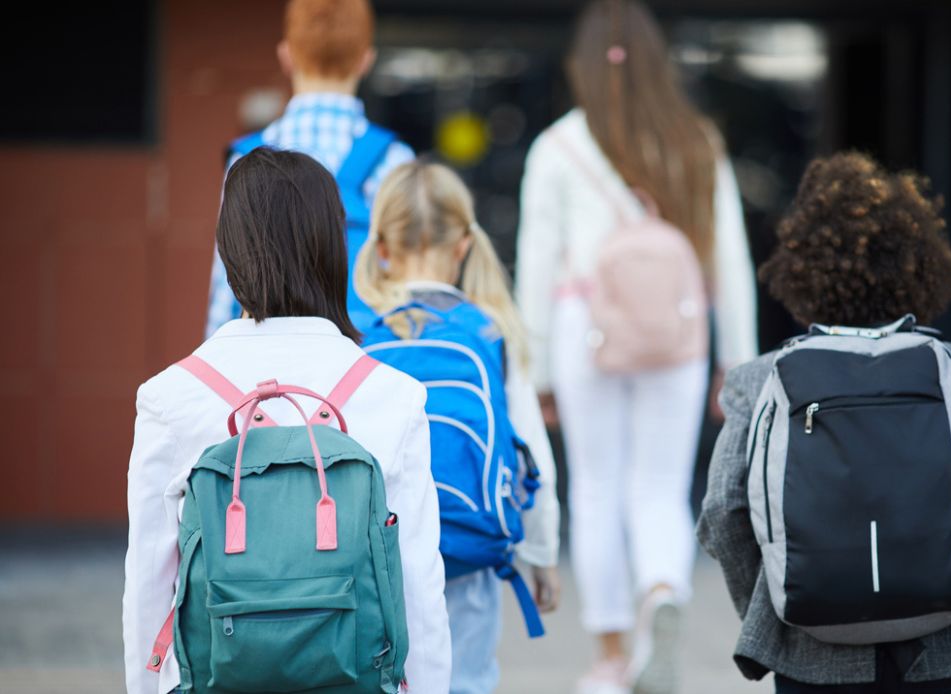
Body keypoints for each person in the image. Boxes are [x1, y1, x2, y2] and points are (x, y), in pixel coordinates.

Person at [697, 152, 951, 693]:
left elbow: (723, 511)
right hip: (941, 647)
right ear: (923, 265)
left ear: (800, 269)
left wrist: (773, 608)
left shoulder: (760, 378)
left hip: (810, 652)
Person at [123, 148, 450, 694]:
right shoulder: (393, 395)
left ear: (230, 251)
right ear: (334, 248)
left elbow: (148, 584)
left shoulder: (169, 396)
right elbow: (418, 586)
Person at [514, 1, 757, 691]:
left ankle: (612, 654)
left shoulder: (558, 147)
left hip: (582, 329)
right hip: (676, 335)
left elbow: (536, 263)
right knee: (659, 486)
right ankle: (661, 590)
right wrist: (733, 360)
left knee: (594, 487)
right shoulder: (695, 141)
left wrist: (533, 371)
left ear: (582, 66)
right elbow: (729, 260)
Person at [353, 161, 562, 694]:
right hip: (468, 546)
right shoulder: (491, 332)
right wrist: (540, 555)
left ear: (382, 249)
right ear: (464, 245)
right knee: (466, 679)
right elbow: (530, 451)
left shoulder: (362, 339)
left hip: (382, 554)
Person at [206, 0, 414, 337]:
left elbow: (223, 286)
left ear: (286, 56)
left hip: (268, 371)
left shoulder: (246, 160)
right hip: (363, 364)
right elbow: (406, 285)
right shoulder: (394, 159)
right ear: (366, 61)